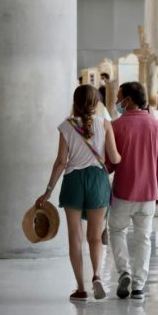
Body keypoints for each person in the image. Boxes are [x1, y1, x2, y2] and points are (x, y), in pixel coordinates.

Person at [37, 84, 120, 301]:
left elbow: (61, 161)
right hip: (98, 180)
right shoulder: (105, 124)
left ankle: (81, 288)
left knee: (75, 237)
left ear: (75, 101)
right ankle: (97, 276)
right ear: (96, 102)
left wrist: (47, 191)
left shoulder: (66, 126)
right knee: (95, 236)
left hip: (73, 181)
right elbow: (115, 157)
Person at [108, 81, 158, 300]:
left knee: (117, 231)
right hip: (148, 194)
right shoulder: (157, 126)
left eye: (119, 97)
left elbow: (110, 162)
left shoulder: (116, 126)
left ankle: (123, 271)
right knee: (143, 238)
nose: (117, 102)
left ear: (129, 100)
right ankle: (138, 286)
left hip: (123, 191)